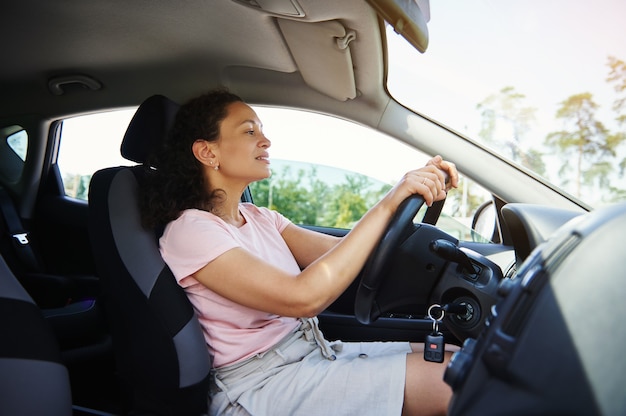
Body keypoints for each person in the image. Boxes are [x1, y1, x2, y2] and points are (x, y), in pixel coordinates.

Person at [140, 88, 459, 416]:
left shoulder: (261, 218)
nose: (266, 141)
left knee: (454, 357)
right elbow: (303, 297)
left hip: (311, 353)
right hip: (258, 388)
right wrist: (392, 198)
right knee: (452, 382)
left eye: (262, 131)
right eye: (250, 131)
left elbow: (347, 255)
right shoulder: (192, 231)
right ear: (207, 152)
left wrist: (410, 200)